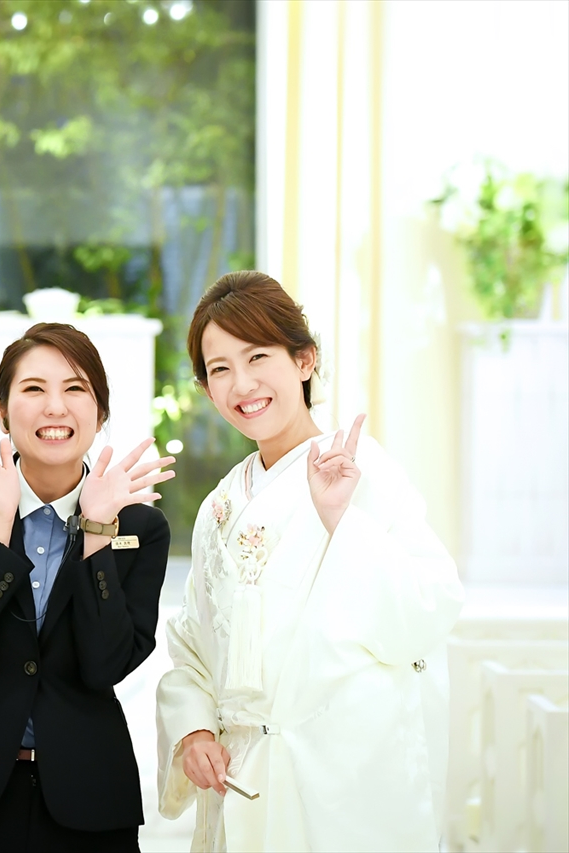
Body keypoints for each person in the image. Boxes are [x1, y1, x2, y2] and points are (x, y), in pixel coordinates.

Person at [155, 271, 463, 851]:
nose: (242, 384)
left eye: (257, 356)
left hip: (340, 789)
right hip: (239, 783)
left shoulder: (359, 472)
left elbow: (427, 611)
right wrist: (193, 730)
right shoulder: (221, 505)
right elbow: (192, 645)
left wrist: (341, 519)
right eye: (220, 369)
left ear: (304, 360)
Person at [0, 323, 174, 852]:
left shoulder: (140, 526)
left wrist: (97, 532)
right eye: (34, 388)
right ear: (3, 411)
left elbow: (105, 665)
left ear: (100, 413)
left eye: (75, 388)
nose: (55, 407)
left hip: (87, 800)